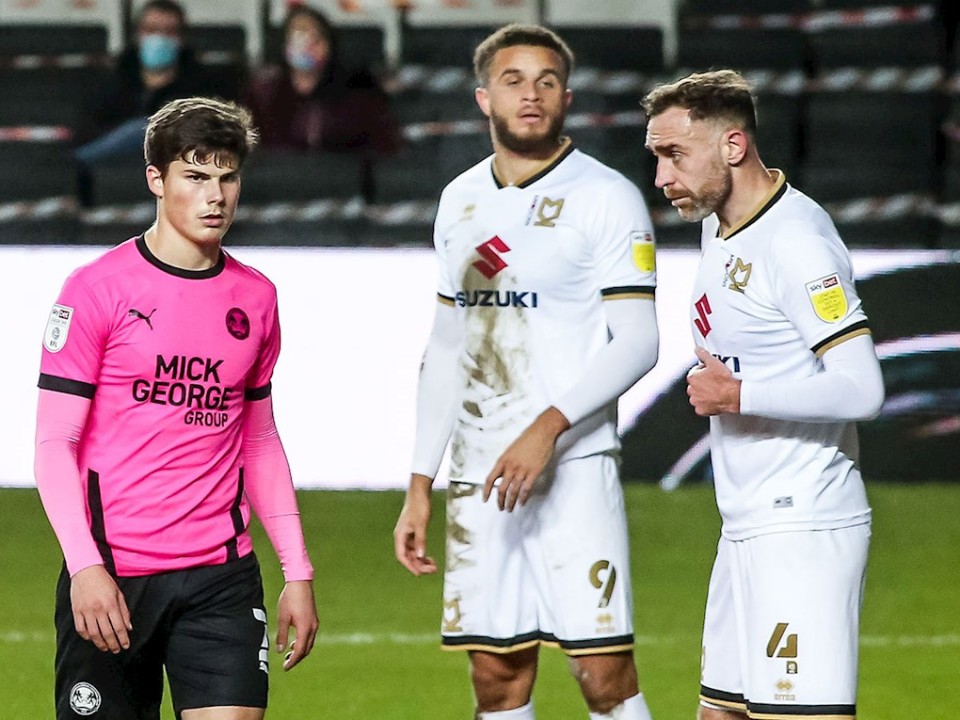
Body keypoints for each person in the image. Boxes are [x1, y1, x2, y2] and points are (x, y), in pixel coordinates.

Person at [393, 24, 660, 720]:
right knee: (497, 677)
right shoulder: (458, 200)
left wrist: (549, 428)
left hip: (574, 467)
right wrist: (420, 482)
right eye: (513, 80)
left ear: (567, 98)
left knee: (603, 674)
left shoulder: (607, 197)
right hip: (479, 474)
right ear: (485, 98)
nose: (531, 94)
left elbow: (639, 342)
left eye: (547, 81)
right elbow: (447, 347)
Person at [36, 96, 318, 720]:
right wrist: (84, 566)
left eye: (227, 177)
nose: (215, 196)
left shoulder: (257, 298)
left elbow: (258, 440)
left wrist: (297, 569)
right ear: (156, 180)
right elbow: (55, 443)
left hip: (221, 576)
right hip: (114, 572)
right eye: (195, 176)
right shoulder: (95, 290)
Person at [642, 70, 885, 720]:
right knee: (719, 714)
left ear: (733, 145)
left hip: (802, 528)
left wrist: (740, 394)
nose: (661, 177)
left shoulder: (796, 243)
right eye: (656, 157)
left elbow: (862, 387)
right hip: (745, 525)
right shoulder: (719, 225)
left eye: (675, 155)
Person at [76, 0, 215, 204]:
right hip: (114, 171)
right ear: (137, 36)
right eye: (151, 30)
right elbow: (90, 129)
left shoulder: (202, 88)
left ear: (182, 39)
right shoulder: (112, 82)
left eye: (169, 32)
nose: (159, 38)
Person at [243, 4, 401, 158]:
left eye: (316, 39)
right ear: (284, 45)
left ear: (329, 44)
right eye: (299, 37)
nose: (307, 45)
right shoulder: (263, 95)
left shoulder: (359, 92)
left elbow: (387, 148)